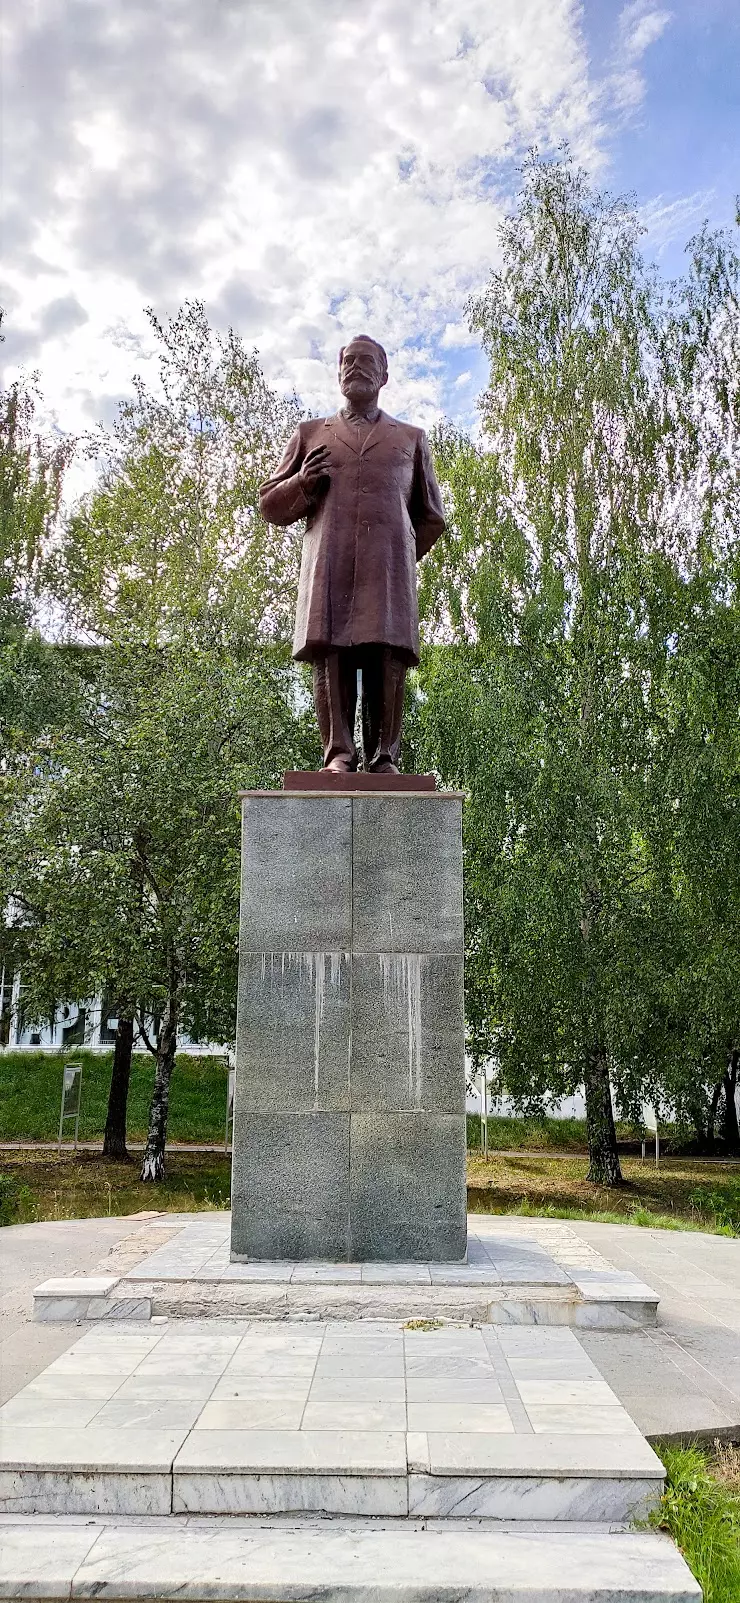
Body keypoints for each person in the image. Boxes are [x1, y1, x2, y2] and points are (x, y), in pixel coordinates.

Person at [259, 335, 445, 773]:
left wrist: (399, 559)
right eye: (348, 361)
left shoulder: (411, 439)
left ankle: (384, 757)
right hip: (329, 566)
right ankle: (339, 754)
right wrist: (302, 483)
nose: (355, 368)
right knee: (332, 654)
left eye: (366, 362)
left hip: (388, 572)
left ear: (384, 375)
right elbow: (270, 504)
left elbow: (431, 516)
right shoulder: (309, 435)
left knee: (386, 655)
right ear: (339, 372)